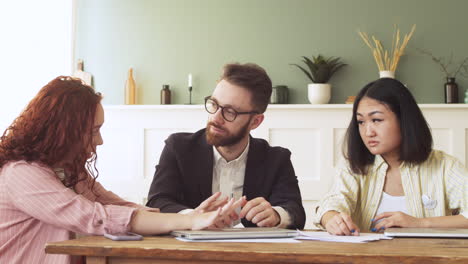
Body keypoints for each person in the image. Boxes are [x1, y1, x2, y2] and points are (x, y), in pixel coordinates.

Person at [0, 76, 241, 264]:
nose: (100, 141)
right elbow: (94, 216)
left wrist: (186, 218)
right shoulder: (21, 174)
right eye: (94, 130)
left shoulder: (69, 170)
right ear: (63, 131)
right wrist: (189, 221)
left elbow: (117, 206)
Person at [146, 63, 306, 229]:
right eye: (214, 104)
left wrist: (276, 215)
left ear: (255, 121)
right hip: (194, 251)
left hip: (253, 252)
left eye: (230, 112)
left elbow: (295, 212)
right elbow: (158, 202)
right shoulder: (178, 148)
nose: (215, 117)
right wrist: (193, 218)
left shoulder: (276, 159)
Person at [314, 78, 468, 236]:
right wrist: (331, 219)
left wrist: (420, 223)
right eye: (361, 122)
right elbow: (333, 202)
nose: (368, 132)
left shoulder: (445, 166)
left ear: (404, 120)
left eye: (376, 120)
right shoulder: (353, 165)